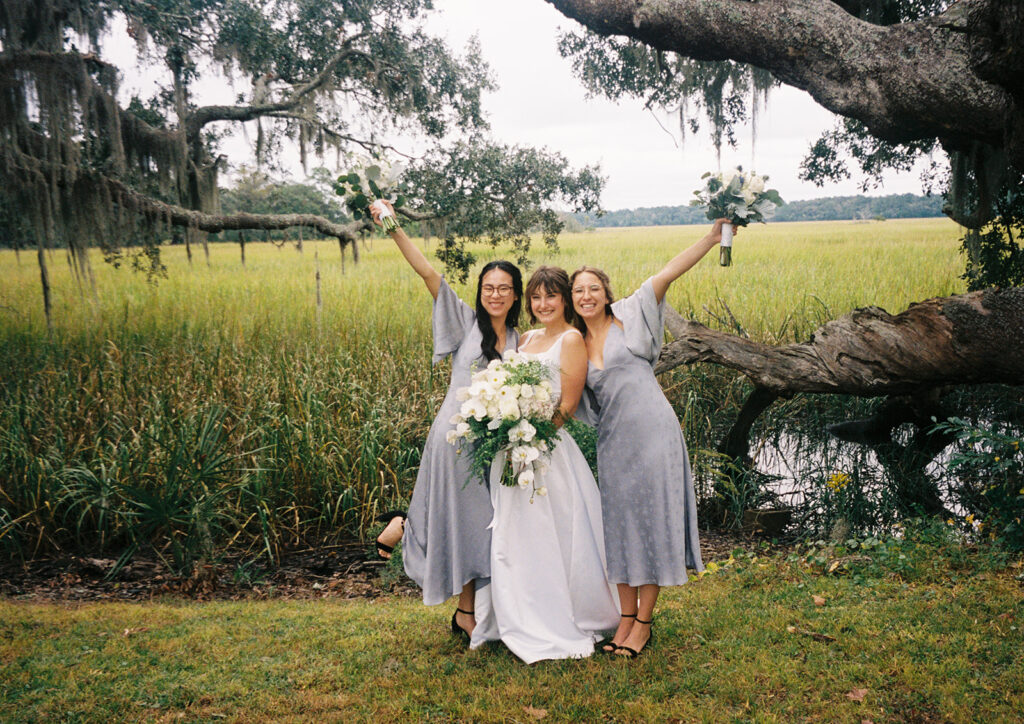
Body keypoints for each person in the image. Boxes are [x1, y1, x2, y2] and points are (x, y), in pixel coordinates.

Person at [570, 220, 731, 658]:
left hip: (654, 433)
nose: (586, 296)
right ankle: (624, 619)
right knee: (619, 527)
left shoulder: (631, 311)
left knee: (652, 522)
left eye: (592, 288)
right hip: (613, 442)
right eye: (578, 291)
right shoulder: (576, 343)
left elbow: (668, 272)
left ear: (605, 292)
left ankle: (643, 623)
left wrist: (712, 237)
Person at [371, 200, 522, 641]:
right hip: (454, 437)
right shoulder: (463, 321)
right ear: (480, 292)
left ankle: (464, 611)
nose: (495, 294)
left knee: (479, 526)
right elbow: (426, 272)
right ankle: (410, 526)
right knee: (462, 520)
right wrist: (393, 226)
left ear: (515, 294)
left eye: (504, 288)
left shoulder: (519, 338)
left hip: (491, 445)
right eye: (488, 287)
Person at [470, 266, 619, 663]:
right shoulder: (528, 338)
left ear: (564, 300)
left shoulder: (571, 339)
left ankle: (557, 614)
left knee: (551, 535)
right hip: (512, 449)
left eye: (551, 296)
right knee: (513, 535)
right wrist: (501, 423)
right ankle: (513, 611)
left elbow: (567, 405)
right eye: (535, 297)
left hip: (546, 452)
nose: (542, 304)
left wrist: (529, 434)